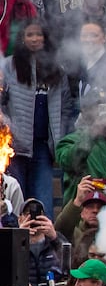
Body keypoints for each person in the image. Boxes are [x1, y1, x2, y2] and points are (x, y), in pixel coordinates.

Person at [1, 21, 69, 212]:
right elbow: (1, 101)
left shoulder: (57, 69)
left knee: (44, 201)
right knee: (15, 199)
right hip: (15, 146)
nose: (35, 39)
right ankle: (15, 240)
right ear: (22, 38)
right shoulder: (8, 66)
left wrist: (59, 136)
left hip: (43, 147)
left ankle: (46, 240)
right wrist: (9, 127)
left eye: (39, 35)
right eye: (30, 35)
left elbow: (65, 108)